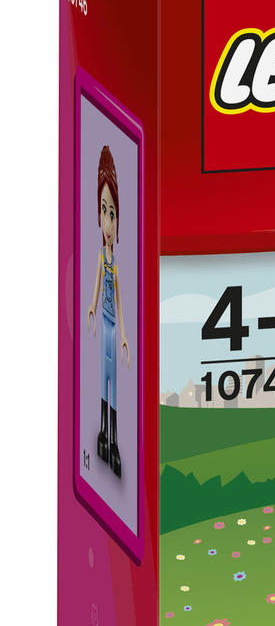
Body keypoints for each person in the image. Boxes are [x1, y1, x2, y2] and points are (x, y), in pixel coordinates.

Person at [85, 145, 129, 479]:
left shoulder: (117, 264)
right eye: (104, 211)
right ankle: (103, 434)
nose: (108, 221)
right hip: (103, 321)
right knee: (104, 378)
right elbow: (97, 289)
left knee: (114, 381)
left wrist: (125, 334)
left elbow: (122, 300)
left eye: (112, 213)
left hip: (115, 327)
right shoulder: (102, 258)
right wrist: (90, 306)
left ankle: (113, 440)